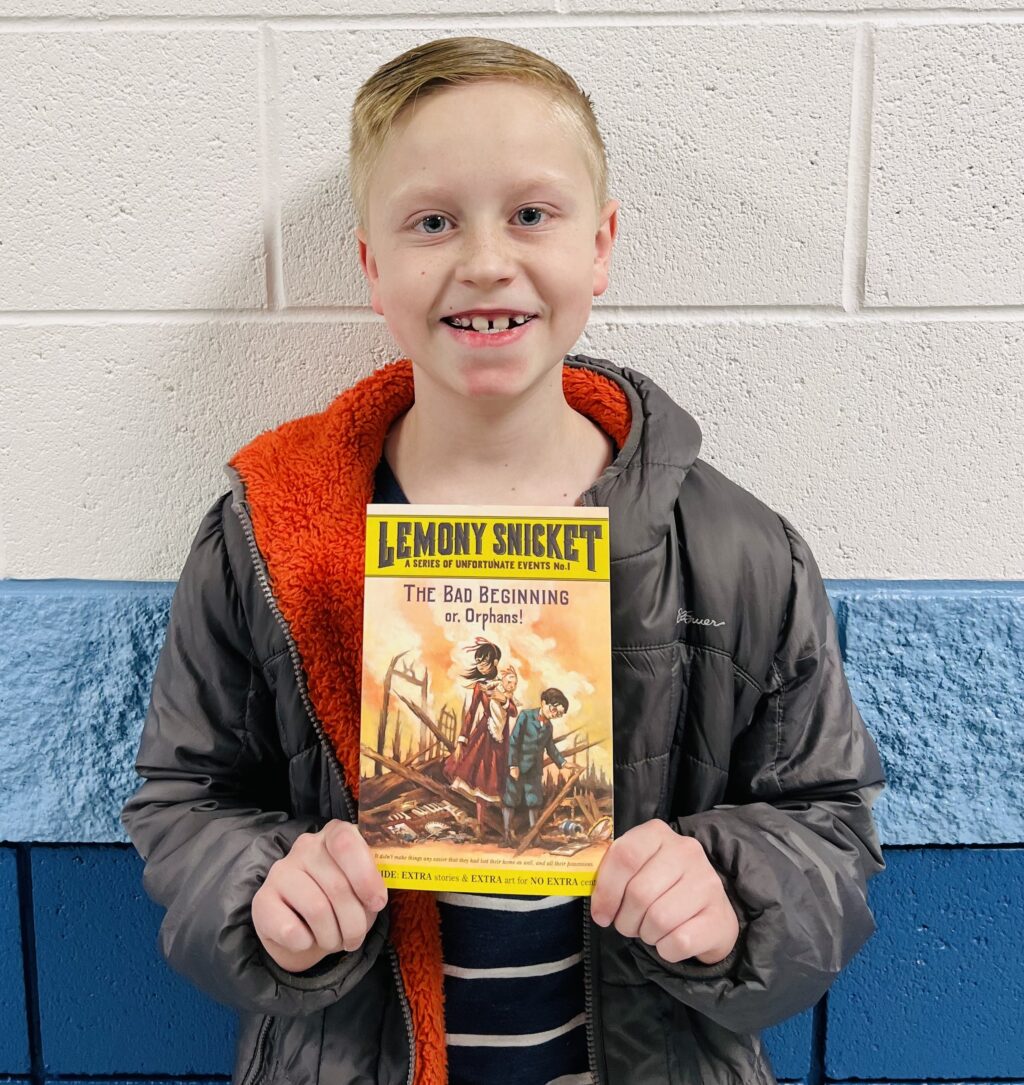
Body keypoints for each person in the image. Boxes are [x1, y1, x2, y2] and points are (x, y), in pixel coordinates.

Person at [120, 34, 886, 1085]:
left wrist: (731, 893)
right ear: (372, 267)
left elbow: (829, 823)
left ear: (601, 244)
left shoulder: (735, 551)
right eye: (433, 221)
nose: (484, 259)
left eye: (531, 213)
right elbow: (184, 795)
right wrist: (262, 893)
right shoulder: (268, 542)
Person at [446, 659, 519, 838]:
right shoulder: (482, 687)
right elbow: (471, 712)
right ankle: (479, 826)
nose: (511, 685)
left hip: (502, 742)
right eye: (509, 681)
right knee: (480, 777)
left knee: (499, 780)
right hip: (483, 737)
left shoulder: (507, 696)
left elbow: (513, 712)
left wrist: (503, 701)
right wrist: (461, 740)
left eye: (514, 683)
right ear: (502, 679)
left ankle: (507, 828)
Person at [502, 687, 570, 845]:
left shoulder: (548, 727)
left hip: (534, 769)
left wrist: (563, 763)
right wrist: (513, 765)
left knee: (534, 801)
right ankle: (507, 835)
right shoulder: (526, 716)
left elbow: (550, 747)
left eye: (558, 714)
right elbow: (513, 741)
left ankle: (534, 836)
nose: (554, 715)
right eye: (554, 710)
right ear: (544, 703)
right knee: (511, 798)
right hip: (517, 767)